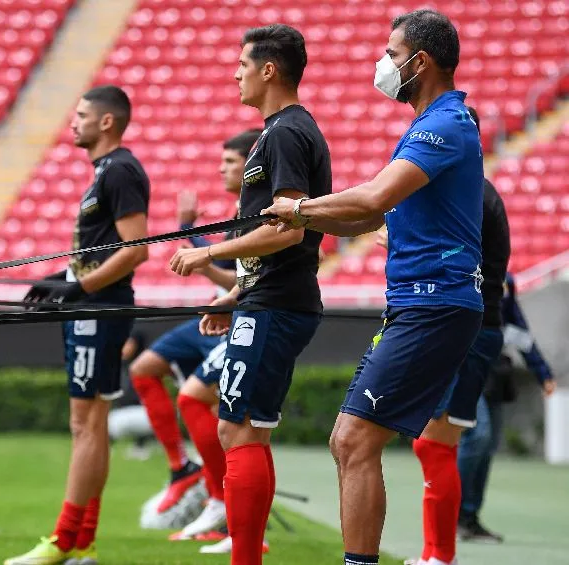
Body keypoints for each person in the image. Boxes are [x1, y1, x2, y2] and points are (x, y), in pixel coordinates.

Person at [263, 10, 485, 565]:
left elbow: (371, 201)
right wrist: (304, 220)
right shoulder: (428, 126)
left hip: (434, 306)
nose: (383, 64)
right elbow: (367, 221)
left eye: (391, 53)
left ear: (421, 61)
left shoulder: (443, 125)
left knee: (355, 440)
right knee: (350, 440)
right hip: (418, 306)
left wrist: (301, 206)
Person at [170, 23, 330, 565]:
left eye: (241, 64)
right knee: (246, 429)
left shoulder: (285, 133)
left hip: (278, 306)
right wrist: (237, 292)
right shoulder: (282, 130)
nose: (234, 74)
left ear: (268, 70)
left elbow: (290, 228)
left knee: (237, 429)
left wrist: (205, 253)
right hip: (267, 300)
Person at [5, 85, 150, 565]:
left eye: (82, 113)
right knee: (92, 424)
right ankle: (83, 542)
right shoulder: (105, 171)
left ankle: (64, 540)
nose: (74, 120)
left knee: (85, 425)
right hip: (93, 304)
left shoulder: (121, 169)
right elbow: (101, 251)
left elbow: (135, 250)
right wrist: (60, 280)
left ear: (106, 122)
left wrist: (80, 290)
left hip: (99, 309)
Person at [393, 105, 508, 565]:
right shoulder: (476, 193)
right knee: (436, 441)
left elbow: (457, 255)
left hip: (467, 326)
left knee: (435, 442)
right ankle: (436, 555)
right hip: (475, 325)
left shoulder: (473, 196)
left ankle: (440, 557)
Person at [127, 130, 260, 518]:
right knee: (143, 370)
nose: (221, 169)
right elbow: (226, 269)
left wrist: (197, 254)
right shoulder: (240, 213)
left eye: (230, 162)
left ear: (251, 163)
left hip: (239, 319)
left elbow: (241, 281)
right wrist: (193, 240)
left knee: (199, 402)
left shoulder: (258, 214)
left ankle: (219, 498)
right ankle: (181, 468)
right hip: (217, 314)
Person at [456, 272, 556, 543]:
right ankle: (455, 513)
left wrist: (542, 371)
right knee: (478, 435)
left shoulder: (505, 280)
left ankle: (470, 517)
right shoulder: (461, 267)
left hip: (493, 371)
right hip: (463, 368)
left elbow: (517, 328)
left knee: (488, 445)